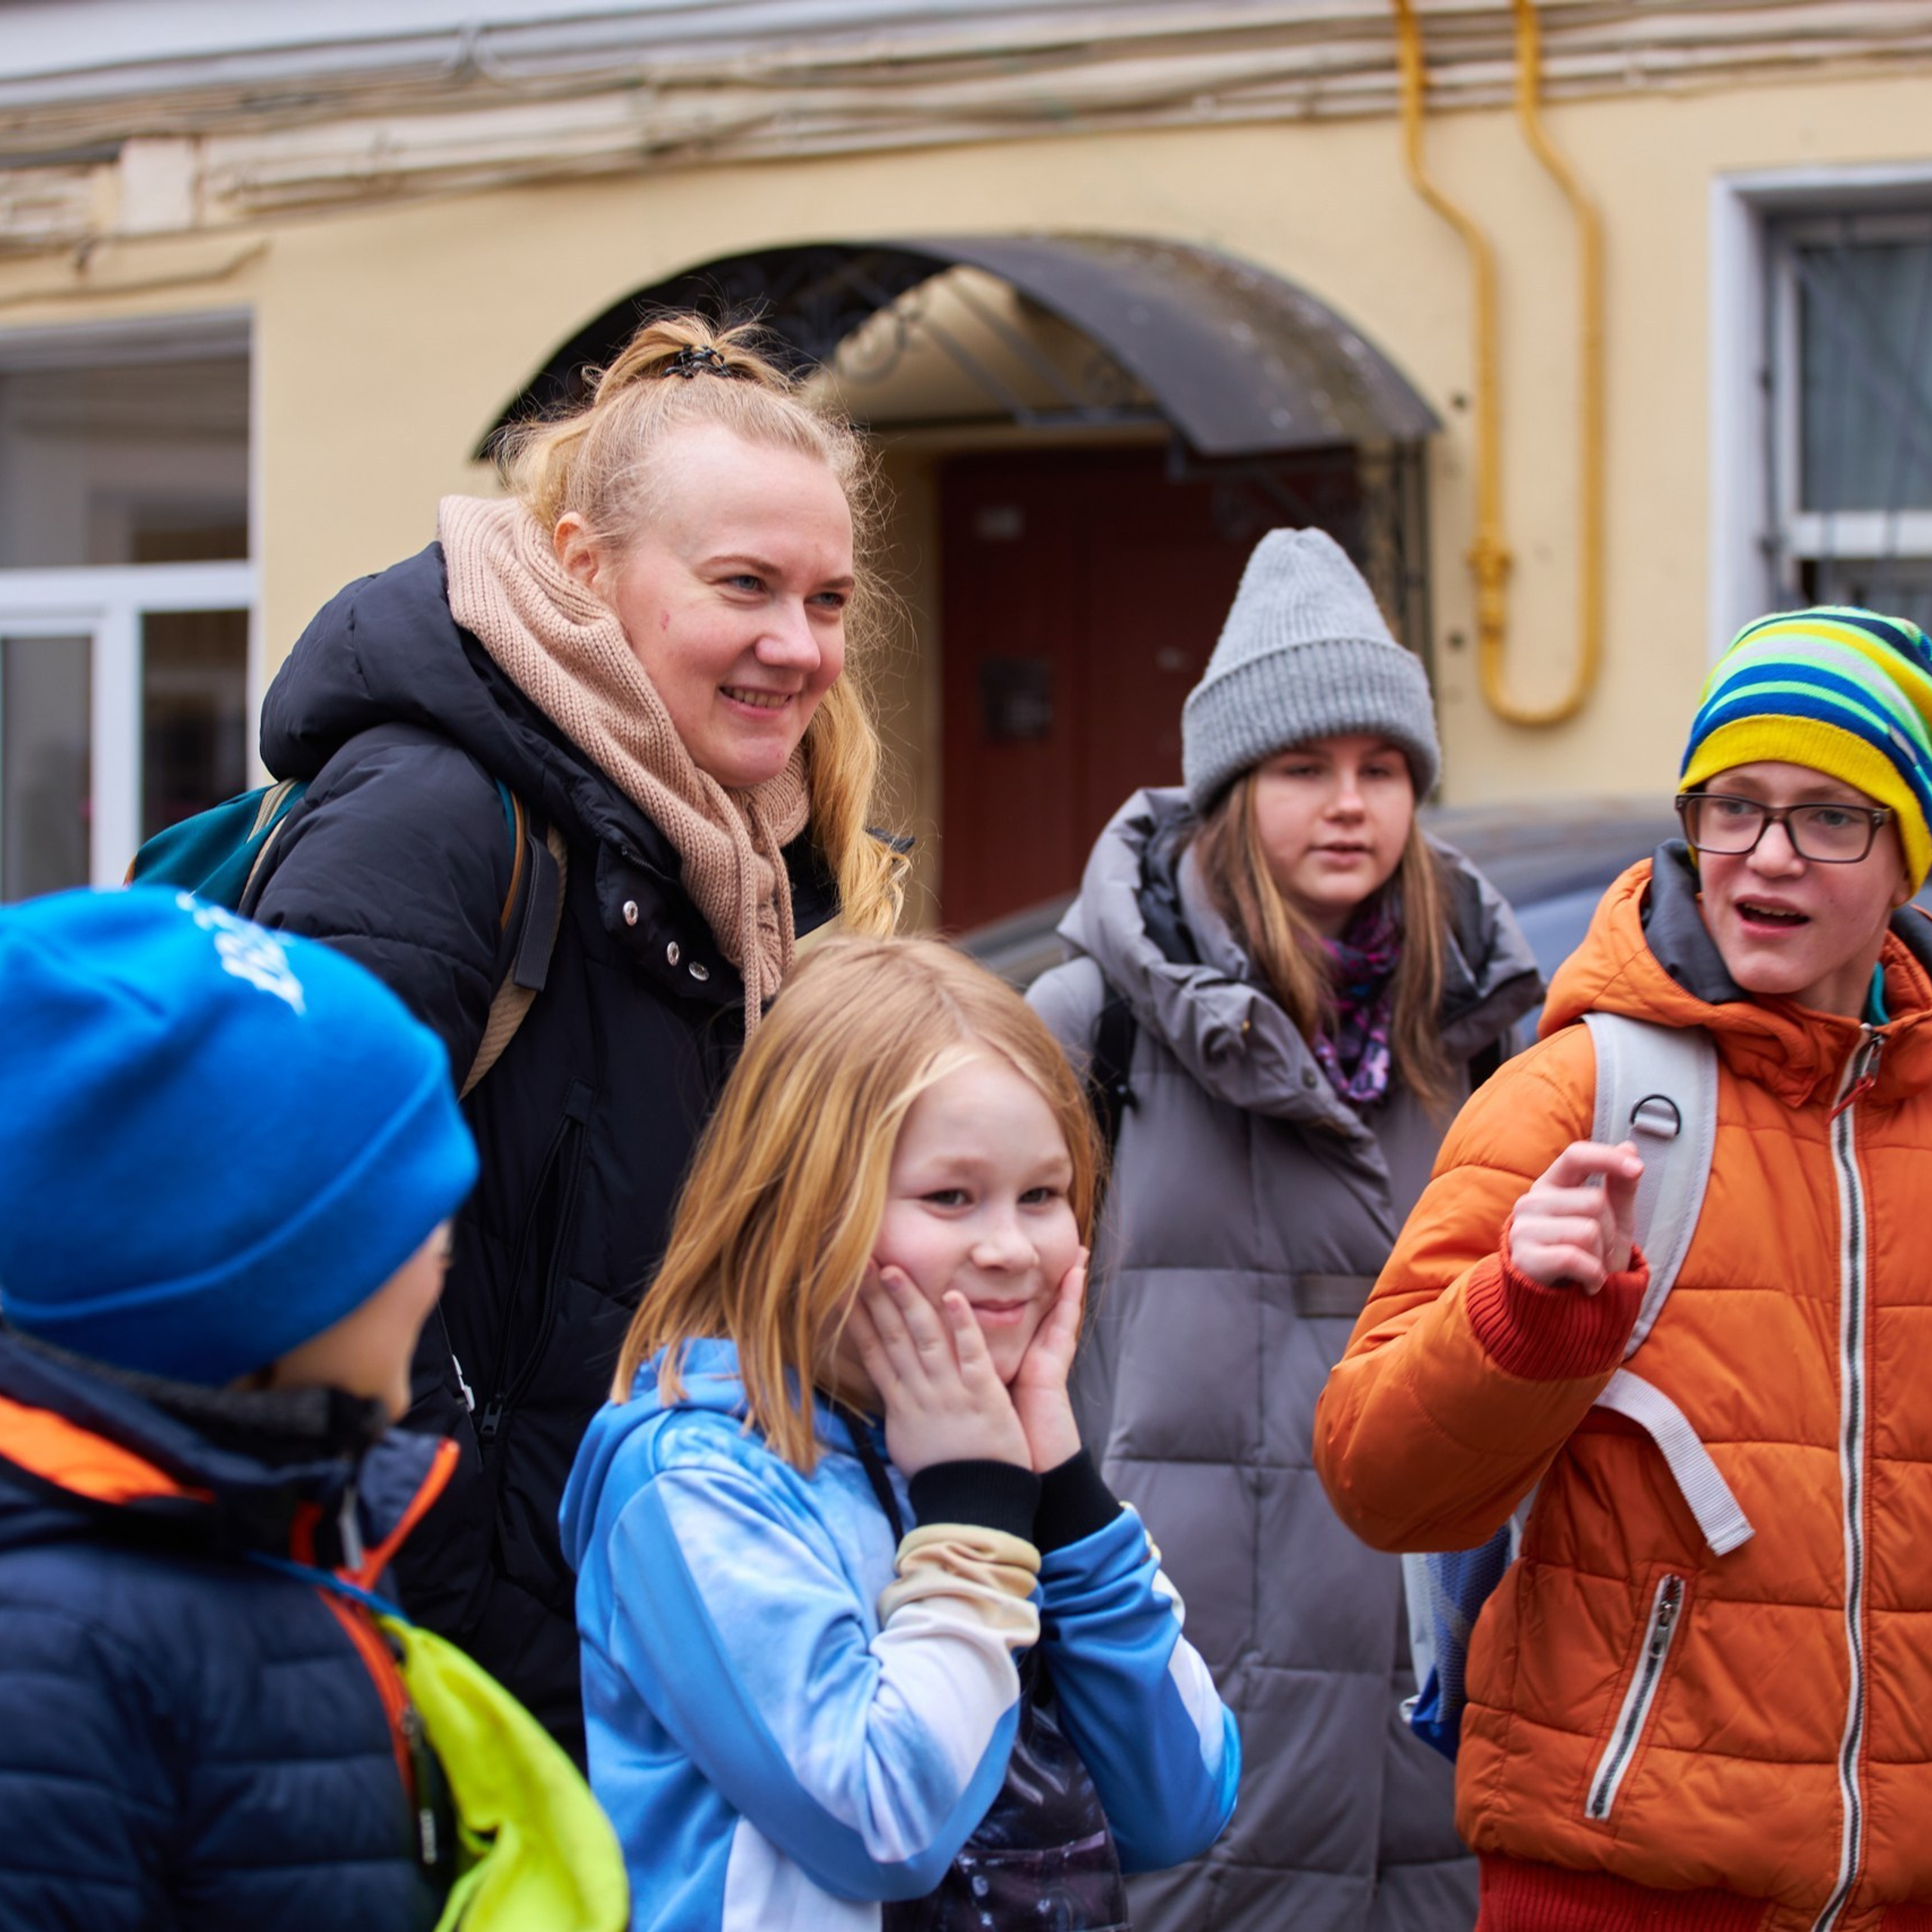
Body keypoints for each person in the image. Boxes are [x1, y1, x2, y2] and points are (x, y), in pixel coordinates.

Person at [244, 313, 902, 1758]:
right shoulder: (431, 818)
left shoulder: (724, 851)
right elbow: (292, 1242)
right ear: (583, 567)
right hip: (446, 1684)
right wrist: (479, 1633)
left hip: (618, 1653)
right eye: (745, 587)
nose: (800, 649)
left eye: (830, 600)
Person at [1314, 605, 1932, 1928]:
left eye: (1832, 816)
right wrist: (1518, 1320)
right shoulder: (1583, 1090)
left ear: (1903, 864)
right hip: (1613, 1886)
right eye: (1735, 807)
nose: (1768, 854)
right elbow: (1374, 1478)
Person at [1028, 526, 1542, 1930]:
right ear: (1232, 787)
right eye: (1305, 767)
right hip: (1184, 1679)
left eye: (1381, 770)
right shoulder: (1099, 1025)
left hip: (1435, 1692)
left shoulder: (1492, 1029)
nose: (1348, 804)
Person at [560, 934, 1241, 1930]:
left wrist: (1063, 1493)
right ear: (803, 1200)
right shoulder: (695, 1476)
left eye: (1043, 1196)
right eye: (950, 1198)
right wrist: (973, 1519)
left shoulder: (982, 1450)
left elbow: (1180, 1804)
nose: (1010, 1249)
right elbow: (879, 1821)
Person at [0, 886, 478, 1931]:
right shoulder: (51, 1663)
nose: (442, 1248)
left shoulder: (297, 1508)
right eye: (399, 1214)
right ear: (252, 1290)